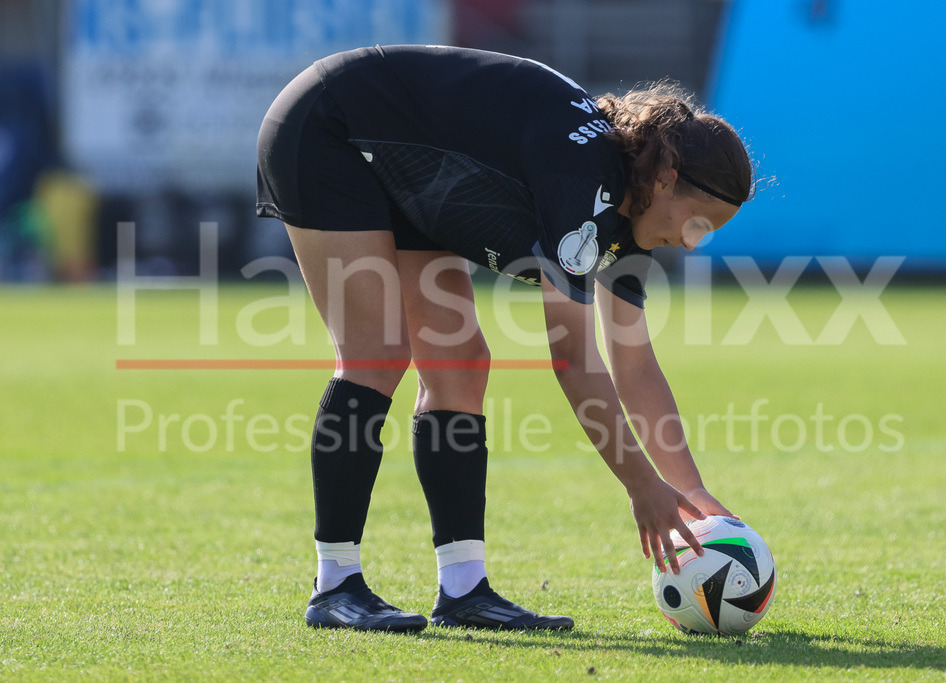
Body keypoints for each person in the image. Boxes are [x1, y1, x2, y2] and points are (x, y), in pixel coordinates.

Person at [256, 45, 752, 632]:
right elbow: (572, 358)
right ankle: (335, 584)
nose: (695, 243)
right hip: (333, 123)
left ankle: (464, 590)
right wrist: (641, 484)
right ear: (666, 181)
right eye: (699, 222)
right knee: (378, 352)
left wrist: (688, 491)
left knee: (460, 366)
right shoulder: (585, 181)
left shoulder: (633, 217)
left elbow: (634, 361)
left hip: (408, 156)